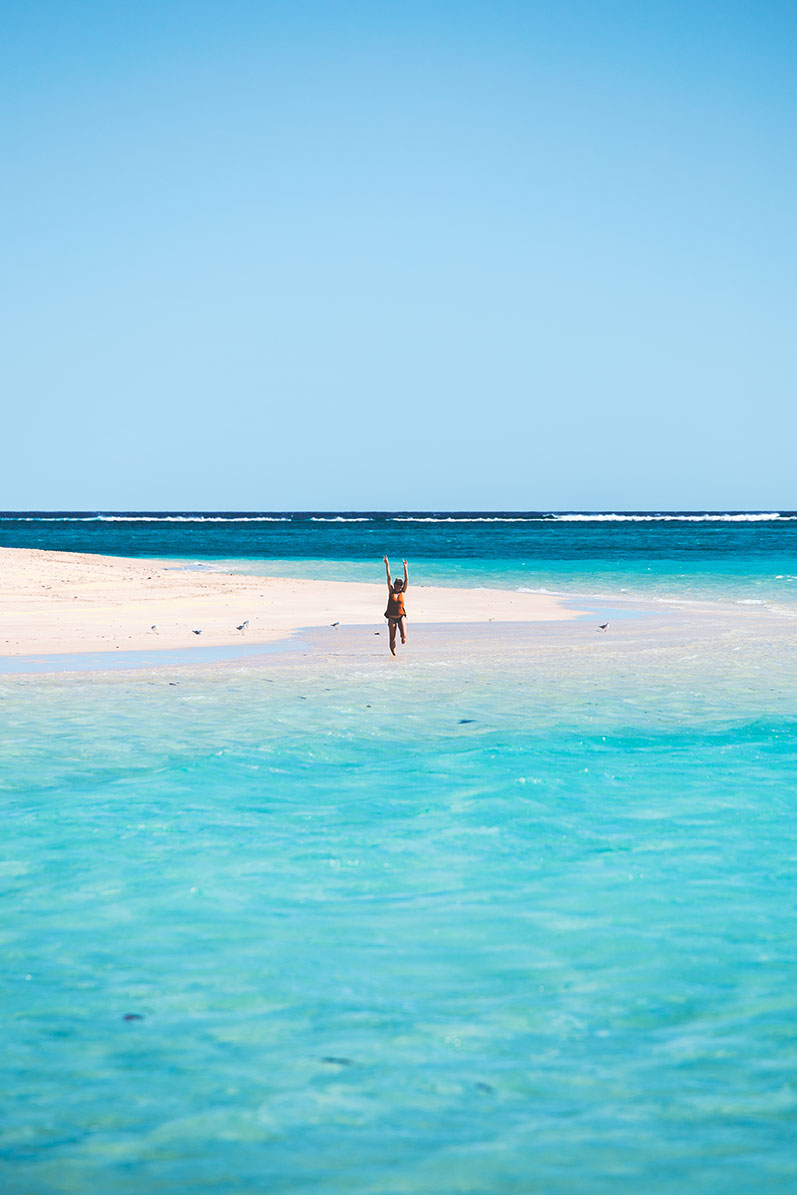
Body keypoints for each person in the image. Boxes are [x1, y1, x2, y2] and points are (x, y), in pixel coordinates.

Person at [383, 555, 408, 656]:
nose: (398, 585)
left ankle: (403, 637)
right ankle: (394, 654)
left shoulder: (403, 592)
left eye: (399, 584)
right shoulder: (391, 592)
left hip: (401, 616)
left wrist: (405, 567)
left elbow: (407, 580)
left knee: (404, 636)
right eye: (396, 583)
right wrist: (387, 565)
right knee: (392, 637)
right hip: (392, 618)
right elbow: (388, 578)